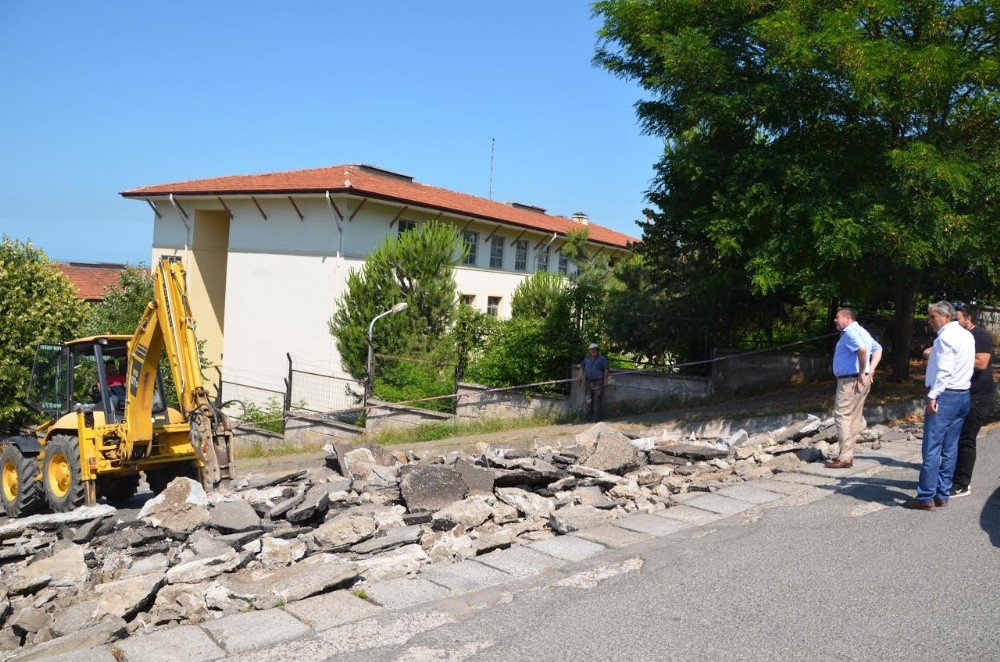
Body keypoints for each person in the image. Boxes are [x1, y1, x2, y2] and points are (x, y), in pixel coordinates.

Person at [905, 301, 975, 510]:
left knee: (932, 448)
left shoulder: (945, 337)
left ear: (946, 317)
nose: (931, 321)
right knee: (950, 447)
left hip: (945, 395)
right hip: (962, 394)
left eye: (933, 317)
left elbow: (944, 371)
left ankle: (926, 496)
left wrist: (933, 396)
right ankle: (942, 494)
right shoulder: (966, 335)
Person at [825, 308, 883, 469]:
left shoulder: (850, 332)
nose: (835, 320)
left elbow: (863, 350)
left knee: (842, 415)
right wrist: (870, 370)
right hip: (859, 379)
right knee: (854, 417)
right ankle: (848, 455)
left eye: (837, 318)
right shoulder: (862, 331)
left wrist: (863, 371)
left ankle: (845, 456)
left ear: (848, 318)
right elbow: (878, 349)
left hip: (850, 381)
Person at [948, 302, 995, 497]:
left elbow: (982, 363)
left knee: (966, 439)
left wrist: (952, 358)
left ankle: (962, 484)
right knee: (955, 438)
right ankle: (952, 477)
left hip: (979, 396)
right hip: (962, 393)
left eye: (958, 319)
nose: (955, 323)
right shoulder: (957, 337)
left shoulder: (980, 335)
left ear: (968, 318)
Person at [578, 342, 609, 422]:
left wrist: (605, 380)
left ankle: (596, 418)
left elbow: (606, 369)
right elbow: (582, 367)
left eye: (595, 349)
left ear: (597, 350)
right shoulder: (586, 358)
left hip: (598, 382)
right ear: (589, 350)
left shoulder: (602, 358)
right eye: (592, 349)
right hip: (588, 382)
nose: (593, 351)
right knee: (588, 400)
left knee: (597, 400)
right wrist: (580, 376)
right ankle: (588, 417)